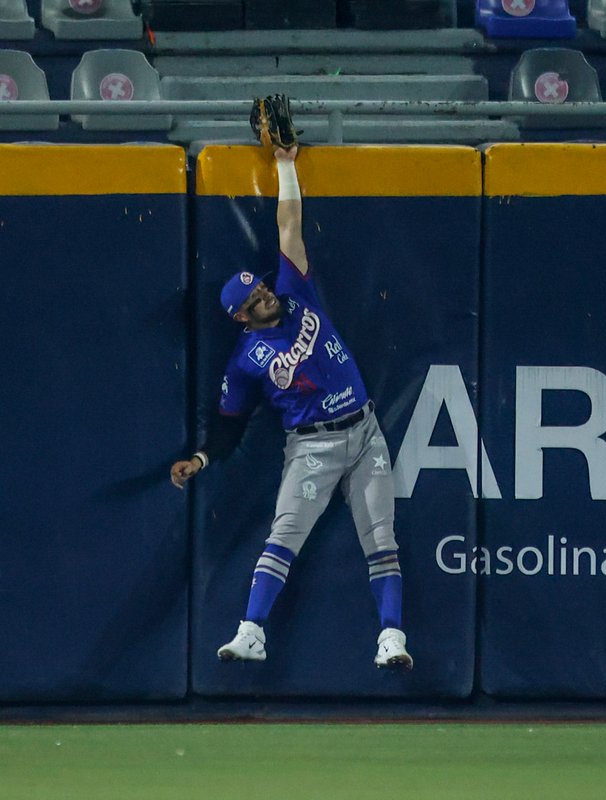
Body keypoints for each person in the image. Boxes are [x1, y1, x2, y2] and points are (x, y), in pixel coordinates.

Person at [169, 144, 412, 670]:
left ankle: (391, 636)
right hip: (314, 446)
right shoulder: (244, 361)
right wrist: (203, 458)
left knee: (382, 538)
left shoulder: (296, 292)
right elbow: (230, 422)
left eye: (261, 288)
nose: (265, 297)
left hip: (365, 429)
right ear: (241, 317)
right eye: (254, 300)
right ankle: (251, 631)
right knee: (283, 538)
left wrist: (284, 165)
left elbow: (289, 225)